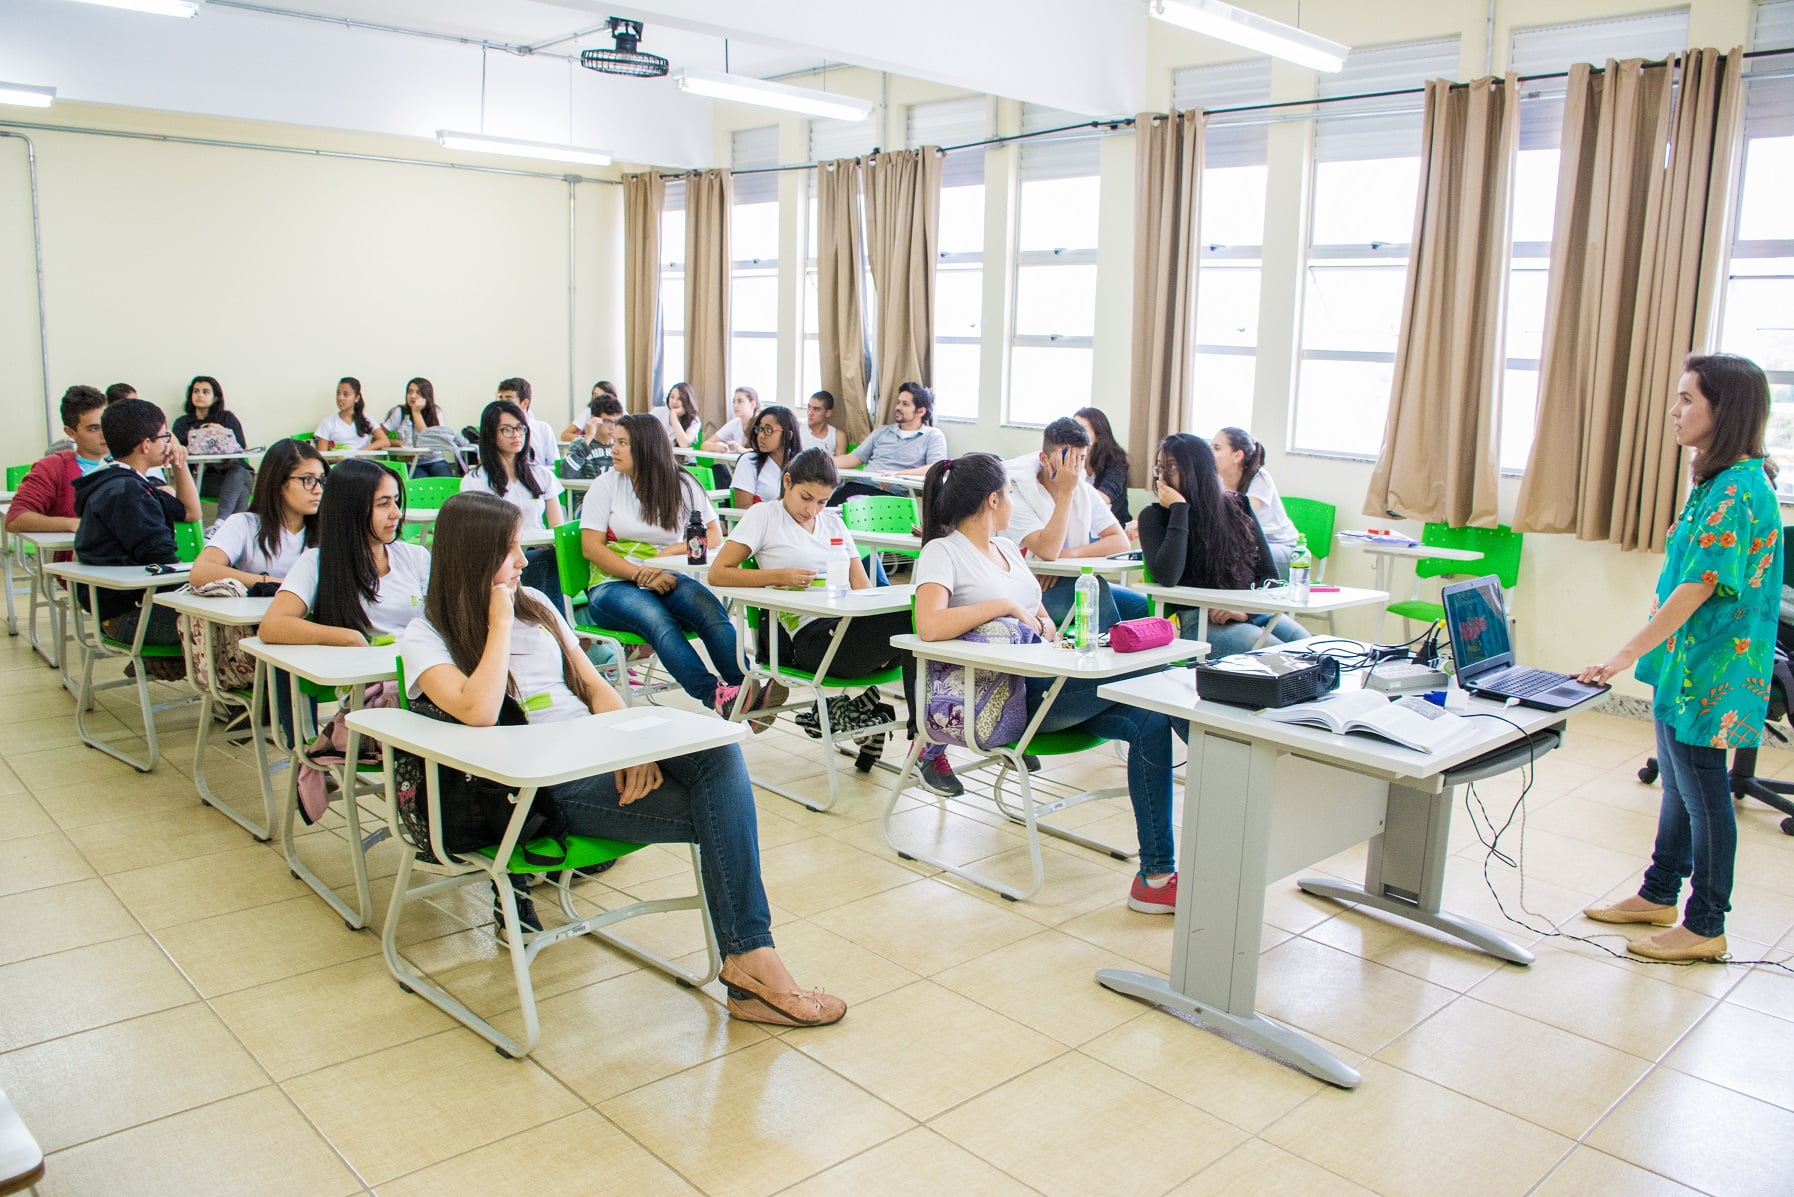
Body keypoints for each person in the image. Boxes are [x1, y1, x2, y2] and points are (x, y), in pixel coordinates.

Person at [401, 491, 845, 1024]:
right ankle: (752, 967)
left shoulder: (538, 608)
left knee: (719, 754)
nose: (522, 561)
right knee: (721, 811)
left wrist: (631, 747)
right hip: (541, 787)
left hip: (600, 751)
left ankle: (751, 959)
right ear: (471, 558)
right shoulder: (426, 636)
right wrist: (497, 626)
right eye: (510, 550)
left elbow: (594, 687)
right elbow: (476, 710)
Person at [1578, 354, 1783, 963]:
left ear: (1727, 410)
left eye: (1688, 399)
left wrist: (1619, 656)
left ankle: (1706, 923)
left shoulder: (1737, 491)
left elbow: (1696, 589)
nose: (1675, 411)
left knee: (1704, 792)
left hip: (1715, 671)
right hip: (1688, 662)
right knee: (1677, 782)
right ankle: (1659, 893)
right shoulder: (1716, 481)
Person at [914, 454, 1181, 911]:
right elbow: (929, 625)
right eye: (1011, 493)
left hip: (1047, 681)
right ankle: (1216, 744)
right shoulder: (943, 551)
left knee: (1151, 717)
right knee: (1147, 672)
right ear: (993, 499)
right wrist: (1002, 607)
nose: (1014, 501)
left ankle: (1155, 879)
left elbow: (1035, 612)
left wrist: (1045, 626)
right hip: (1005, 698)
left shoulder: (1006, 551)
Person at [709, 447, 914, 771]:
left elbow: (862, 589)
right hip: (806, 641)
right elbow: (719, 572)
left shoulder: (832, 524)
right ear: (787, 482)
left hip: (843, 628)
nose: (813, 510)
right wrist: (779, 576)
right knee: (916, 620)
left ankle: (919, 735)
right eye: (806, 498)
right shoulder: (765, 516)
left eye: (822, 501)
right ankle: (913, 736)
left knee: (920, 617)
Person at [579, 414, 753, 717]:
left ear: (646, 448)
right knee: (658, 621)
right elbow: (591, 547)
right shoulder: (605, 485)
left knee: (711, 610)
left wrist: (671, 552)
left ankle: (748, 690)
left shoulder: (682, 483)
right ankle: (715, 695)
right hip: (612, 585)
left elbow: (714, 533)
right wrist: (639, 573)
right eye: (615, 442)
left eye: (623, 443)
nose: (613, 449)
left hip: (667, 577)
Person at [1137, 432, 1304, 659]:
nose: (1163, 477)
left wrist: (1244, 612)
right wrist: (1180, 510)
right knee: (1280, 656)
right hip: (1201, 618)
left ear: (1199, 470)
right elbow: (1168, 576)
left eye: (1173, 468)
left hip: (1250, 611)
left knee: (1310, 647)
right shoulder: (1154, 516)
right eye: (1160, 468)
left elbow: (1270, 576)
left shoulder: (1238, 506)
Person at [72, 398, 202, 648]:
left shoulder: (124, 482)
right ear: (145, 445)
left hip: (127, 610)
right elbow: (163, 560)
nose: (170, 444)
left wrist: (179, 463)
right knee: (238, 624)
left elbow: (190, 512)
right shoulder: (127, 492)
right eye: (165, 437)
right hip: (132, 617)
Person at [259, 458, 429, 647]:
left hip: (419, 665)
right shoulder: (317, 562)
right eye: (383, 504)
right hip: (365, 670)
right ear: (350, 509)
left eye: (396, 501)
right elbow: (272, 626)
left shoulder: (415, 556)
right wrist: (349, 638)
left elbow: (442, 623)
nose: (396, 513)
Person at [1000, 417, 1147, 628]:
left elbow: (1120, 541)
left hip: (1068, 579)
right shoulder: (1016, 491)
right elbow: (1048, 550)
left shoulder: (1084, 490)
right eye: (1066, 459)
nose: (1073, 469)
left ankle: (1151, 661)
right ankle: (1108, 658)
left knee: (1141, 607)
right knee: (1095, 592)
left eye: (1080, 459)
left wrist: (1066, 558)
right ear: (1044, 458)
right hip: (1030, 590)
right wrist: (1066, 491)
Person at [190, 438, 325, 589]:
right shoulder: (245, 524)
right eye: (307, 479)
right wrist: (277, 584)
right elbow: (201, 572)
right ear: (278, 482)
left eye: (321, 480)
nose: (318, 490)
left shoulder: (329, 530)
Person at [461, 399, 564, 595]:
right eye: (507, 430)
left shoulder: (541, 475)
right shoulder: (475, 480)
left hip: (537, 551)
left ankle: (545, 619)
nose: (516, 435)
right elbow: (477, 535)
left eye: (520, 428)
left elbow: (557, 528)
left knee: (553, 557)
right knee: (544, 562)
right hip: (499, 556)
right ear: (491, 434)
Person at [7, 386, 111, 535]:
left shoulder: (130, 458)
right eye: (93, 429)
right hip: (81, 553)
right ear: (71, 432)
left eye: (106, 424)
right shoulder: (53, 467)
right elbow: (16, 518)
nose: (104, 434)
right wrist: (71, 523)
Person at [831, 382, 948, 503]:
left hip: (890, 494)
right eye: (898, 402)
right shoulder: (882, 432)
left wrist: (898, 475)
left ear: (921, 411)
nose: (898, 407)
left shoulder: (932, 436)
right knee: (825, 513)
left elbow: (937, 468)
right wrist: (820, 461)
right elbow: (853, 459)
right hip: (858, 486)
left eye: (905, 404)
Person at [1212, 427, 1300, 574]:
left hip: (1280, 547)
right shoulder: (1216, 480)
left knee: (1231, 555)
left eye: (1217, 448)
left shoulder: (1260, 478)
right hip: (1249, 545)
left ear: (1237, 456)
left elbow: (1242, 515)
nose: (1210, 453)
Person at [172, 375, 254, 520]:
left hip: (231, 472)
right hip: (202, 478)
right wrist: (199, 433)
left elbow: (241, 448)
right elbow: (178, 449)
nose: (200, 395)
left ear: (215, 397)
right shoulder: (182, 423)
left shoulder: (227, 419)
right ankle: (228, 527)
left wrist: (222, 433)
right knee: (241, 490)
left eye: (205, 392)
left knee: (239, 473)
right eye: (196, 391)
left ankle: (221, 522)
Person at [383, 377, 461, 478]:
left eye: (418, 392)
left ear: (426, 396)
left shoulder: (436, 411)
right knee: (421, 481)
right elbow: (378, 438)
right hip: (411, 462)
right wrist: (397, 443)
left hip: (435, 459)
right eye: (410, 392)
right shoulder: (399, 412)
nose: (413, 396)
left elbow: (427, 439)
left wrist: (416, 412)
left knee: (445, 479)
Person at [730, 404, 801, 508]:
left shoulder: (801, 464)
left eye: (768, 430)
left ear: (788, 435)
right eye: (759, 429)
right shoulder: (749, 461)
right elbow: (743, 507)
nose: (761, 436)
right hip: (761, 522)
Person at [1074, 407, 1131, 527]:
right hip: (1079, 522)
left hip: (1109, 525)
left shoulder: (1116, 460)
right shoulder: (1069, 457)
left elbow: (1104, 498)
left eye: (1082, 429)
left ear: (1098, 434)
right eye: (1073, 428)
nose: (1075, 434)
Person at [496, 378, 558, 471]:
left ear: (524, 403)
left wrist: (538, 473)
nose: (502, 405)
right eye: (500, 399)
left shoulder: (542, 429)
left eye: (509, 400)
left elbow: (553, 464)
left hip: (537, 480)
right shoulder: (495, 428)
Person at [315, 377, 390, 451]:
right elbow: (323, 456)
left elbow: (384, 441)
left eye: (345, 394)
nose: (340, 398)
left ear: (357, 398)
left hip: (363, 461)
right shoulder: (328, 422)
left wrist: (361, 452)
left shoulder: (367, 419)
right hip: (340, 462)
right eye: (338, 393)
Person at [704, 386, 761, 455]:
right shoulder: (735, 423)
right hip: (736, 464)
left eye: (740, 401)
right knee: (718, 466)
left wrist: (743, 450)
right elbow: (704, 445)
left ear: (752, 404)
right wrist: (718, 446)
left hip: (756, 465)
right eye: (734, 402)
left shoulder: (761, 423)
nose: (735, 405)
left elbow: (764, 452)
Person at [658, 383, 703, 450]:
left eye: (680, 399)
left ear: (687, 400)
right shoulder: (657, 412)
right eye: (672, 397)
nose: (674, 402)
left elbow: (683, 444)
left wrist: (673, 416)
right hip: (660, 457)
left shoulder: (694, 420)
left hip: (684, 459)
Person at [801, 390, 847, 456]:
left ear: (828, 413)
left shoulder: (838, 436)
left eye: (816, 409)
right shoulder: (797, 427)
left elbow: (841, 464)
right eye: (809, 407)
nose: (810, 413)